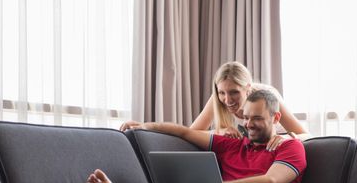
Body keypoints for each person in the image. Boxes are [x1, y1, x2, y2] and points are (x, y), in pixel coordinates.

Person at [82, 89, 306, 183]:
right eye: (246, 117)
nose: (248, 124)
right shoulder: (234, 144)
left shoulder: (289, 146)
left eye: (257, 118)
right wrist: (145, 126)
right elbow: (185, 132)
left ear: (276, 118)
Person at [121, 61, 310, 151]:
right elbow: (189, 134)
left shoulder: (268, 97)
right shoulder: (217, 101)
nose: (227, 100)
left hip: (274, 154)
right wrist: (144, 127)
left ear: (248, 88)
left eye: (234, 92)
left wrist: (285, 140)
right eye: (222, 93)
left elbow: (307, 135)